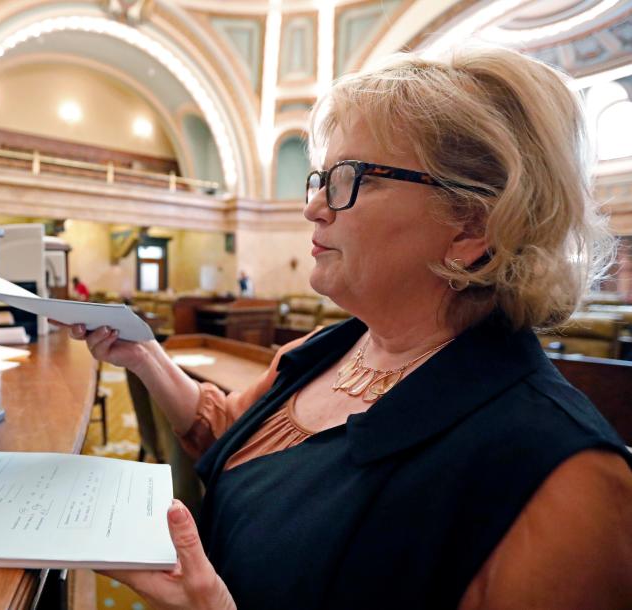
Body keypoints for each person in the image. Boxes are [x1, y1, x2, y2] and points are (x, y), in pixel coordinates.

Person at [63, 47, 632, 609]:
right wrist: (145, 356)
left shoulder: (565, 480)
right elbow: (226, 432)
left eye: (351, 178)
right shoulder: (328, 348)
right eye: (320, 177)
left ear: (471, 226)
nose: (313, 207)